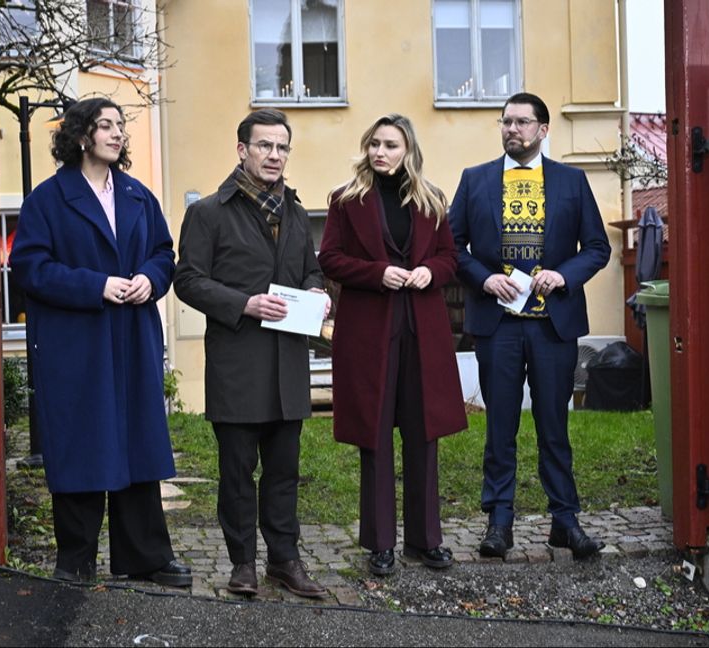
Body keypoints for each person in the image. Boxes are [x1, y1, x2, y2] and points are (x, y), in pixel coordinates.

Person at [10, 97, 191, 587]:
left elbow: (162, 252)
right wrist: (97, 285)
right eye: (105, 125)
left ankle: (146, 557)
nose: (117, 134)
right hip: (78, 343)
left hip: (132, 335)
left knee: (137, 443)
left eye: (120, 126)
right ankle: (75, 561)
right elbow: (30, 268)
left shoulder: (137, 196)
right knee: (82, 444)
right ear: (81, 135)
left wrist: (151, 281)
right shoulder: (47, 200)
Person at [173, 109, 330, 598]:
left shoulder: (298, 213)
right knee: (237, 475)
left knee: (283, 473)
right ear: (242, 150)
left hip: (288, 363)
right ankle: (243, 563)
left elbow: (311, 272)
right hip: (238, 363)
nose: (274, 155)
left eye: (282, 147)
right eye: (264, 146)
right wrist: (245, 303)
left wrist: (318, 291)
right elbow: (188, 280)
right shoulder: (209, 213)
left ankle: (285, 560)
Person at [448, 92, 611, 560]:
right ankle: (499, 522)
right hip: (498, 325)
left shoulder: (571, 181)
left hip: (552, 325)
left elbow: (597, 248)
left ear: (543, 129)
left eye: (522, 122)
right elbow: (453, 248)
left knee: (553, 426)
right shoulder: (475, 180)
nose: (512, 129)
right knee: (500, 426)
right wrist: (485, 278)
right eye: (506, 122)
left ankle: (565, 520)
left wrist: (565, 275)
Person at [318, 114, 467, 576]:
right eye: (375, 144)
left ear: (408, 151)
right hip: (369, 331)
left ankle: (425, 541)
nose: (380, 152)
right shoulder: (346, 200)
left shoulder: (431, 200)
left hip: (423, 327)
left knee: (424, 433)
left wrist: (430, 272)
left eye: (391, 145)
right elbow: (330, 259)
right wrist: (377, 273)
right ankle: (380, 543)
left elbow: (449, 258)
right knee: (375, 434)